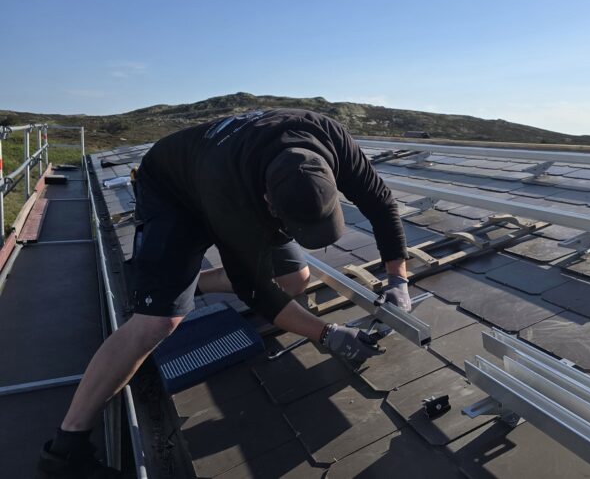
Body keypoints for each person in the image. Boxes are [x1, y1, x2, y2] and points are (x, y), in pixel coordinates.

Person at [37, 109, 411, 478]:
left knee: (296, 279)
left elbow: (381, 203)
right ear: (268, 202)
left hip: (222, 167)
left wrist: (399, 280)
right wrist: (326, 334)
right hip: (173, 191)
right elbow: (253, 289)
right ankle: (66, 450)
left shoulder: (331, 138)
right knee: (158, 322)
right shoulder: (232, 198)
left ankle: (189, 285)